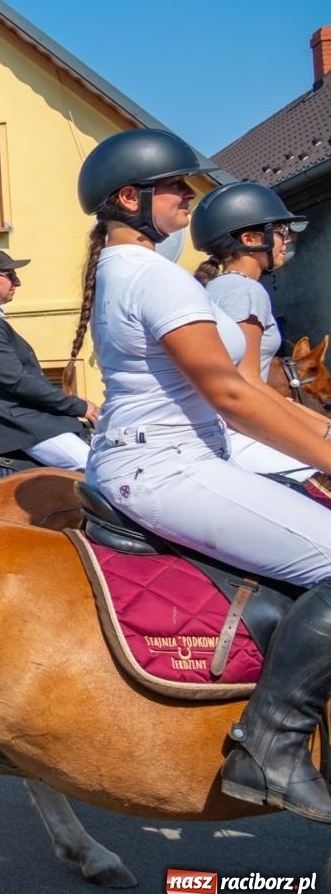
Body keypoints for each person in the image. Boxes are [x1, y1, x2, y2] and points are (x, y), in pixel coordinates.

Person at [70, 127, 331, 822]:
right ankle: (270, 747)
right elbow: (233, 394)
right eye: (174, 187)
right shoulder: (153, 276)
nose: (188, 197)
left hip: (167, 457)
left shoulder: (132, 270)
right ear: (131, 198)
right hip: (166, 465)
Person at [190, 181, 319, 481]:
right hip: (239, 432)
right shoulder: (245, 290)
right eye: (280, 231)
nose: (287, 240)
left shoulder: (219, 287)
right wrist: (322, 430)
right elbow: (247, 382)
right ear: (250, 239)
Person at [0, 248, 98, 469]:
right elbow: (17, 381)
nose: (17, 282)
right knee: (98, 471)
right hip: (22, 426)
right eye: (10, 275)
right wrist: (79, 407)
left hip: (33, 421)